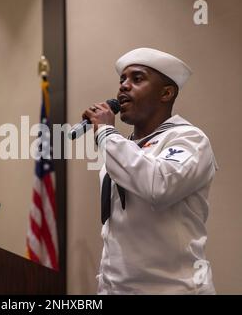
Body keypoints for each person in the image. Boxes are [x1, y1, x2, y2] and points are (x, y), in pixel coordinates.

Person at [83, 47, 217, 294]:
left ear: (166, 93)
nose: (123, 86)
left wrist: (105, 133)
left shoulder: (189, 139)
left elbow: (158, 186)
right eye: (122, 79)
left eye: (137, 78)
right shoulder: (122, 149)